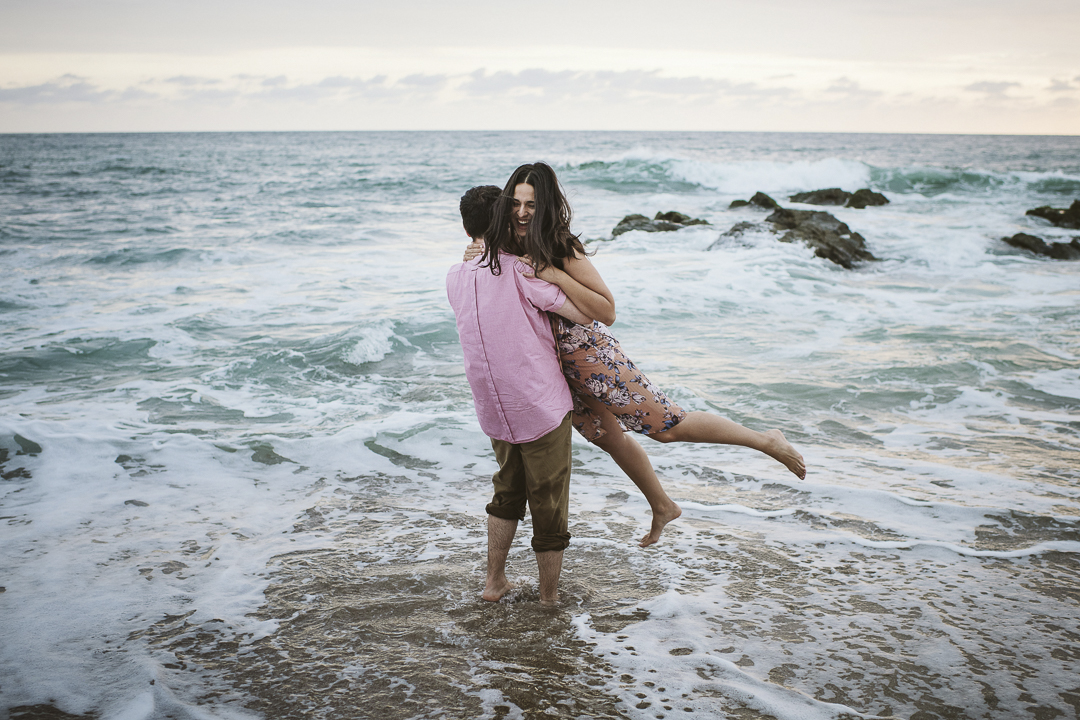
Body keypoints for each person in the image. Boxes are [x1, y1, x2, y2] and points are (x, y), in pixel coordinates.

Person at [466, 163, 806, 547]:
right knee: (610, 439)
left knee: (667, 427)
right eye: (516, 203)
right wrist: (479, 247)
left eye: (532, 204)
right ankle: (662, 505)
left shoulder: (560, 245)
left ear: (547, 206)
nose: (523, 212)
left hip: (590, 356)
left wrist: (554, 274)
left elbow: (607, 310)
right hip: (549, 369)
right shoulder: (505, 243)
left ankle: (766, 440)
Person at [446, 185, 592, 605]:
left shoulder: (455, 275)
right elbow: (585, 313)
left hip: (494, 410)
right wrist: (552, 271)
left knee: (506, 493)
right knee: (549, 504)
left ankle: (494, 582)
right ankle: (548, 599)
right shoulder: (520, 272)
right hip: (539, 406)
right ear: (502, 222)